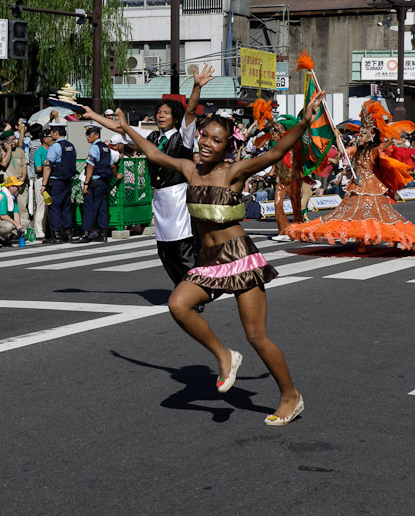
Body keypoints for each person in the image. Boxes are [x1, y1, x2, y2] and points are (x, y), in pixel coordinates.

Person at [113, 88, 325, 426]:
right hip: (208, 260)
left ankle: (290, 396)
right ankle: (224, 355)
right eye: (204, 136)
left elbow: (275, 152)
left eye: (216, 139)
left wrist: (303, 124)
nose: (207, 143)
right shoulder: (189, 168)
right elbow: (152, 153)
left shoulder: (233, 172)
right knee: (178, 305)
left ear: (227, 146)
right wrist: (126, 128)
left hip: (239, 256)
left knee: (256, 336)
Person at [82, 65, 214, 293]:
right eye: (159, 112)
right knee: (165, 251)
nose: (161, 115)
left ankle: (197, 289)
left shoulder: (183, 135)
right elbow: (120, 127)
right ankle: (183, 289)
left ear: (175, 119)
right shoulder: (152, 136)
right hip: (160, 198)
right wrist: (93, 115)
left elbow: (191, 111)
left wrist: (196, 87)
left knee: (183, 247)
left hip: (179, 194)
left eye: (166, 113)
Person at [288, 100, 415, 250]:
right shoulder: (356, 151)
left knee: (376, 216)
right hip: (356, 185)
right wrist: (336, 136)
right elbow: (344, 154)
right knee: (352, 214)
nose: (359, 136)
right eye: (359, 134)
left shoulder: (373, 150)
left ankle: (397, 238)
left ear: (369, 137)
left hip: (370, 187)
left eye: (362, 134)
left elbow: (385, 146)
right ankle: (363, 240)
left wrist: (389, 137)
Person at [79, 125, 118, 243]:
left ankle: (86, 234)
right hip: (104, 181)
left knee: (89, 207)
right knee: (102, 208)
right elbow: (112, 165)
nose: (87, 137)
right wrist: (116, 176)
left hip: (94, 182)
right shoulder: (106, 148)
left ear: (96, 134)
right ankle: (103, 234)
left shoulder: (94, 148)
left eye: (89, 134)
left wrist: (86, 183)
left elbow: (90, 165)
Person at [41, 123, 77, 243]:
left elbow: (48, 166)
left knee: (54, 207)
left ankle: (56, 234)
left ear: (56, 133)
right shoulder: (71, 146)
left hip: (56, 181)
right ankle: (68, 232)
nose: (50, 135)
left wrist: (44, 185)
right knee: (66, 207)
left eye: (51, 132)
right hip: (68, 181)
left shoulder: (55, 147)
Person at [0, 176, 25, 247]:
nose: (19, 188)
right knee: (9, 226)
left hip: (3, 220)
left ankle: (4, 238)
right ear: (10, 187)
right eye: (17, 186)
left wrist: (19, 227)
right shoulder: (3, 196)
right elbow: (3, 216)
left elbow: (16, 213)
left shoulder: (12, 197)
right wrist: (17, 225)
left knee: (26, 223)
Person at [33, 127, 52, 239]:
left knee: (49, 206)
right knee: (41, 206)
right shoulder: (39, 152)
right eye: (50, 136)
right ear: (45, 139)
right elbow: (38, 168)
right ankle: (39, 231)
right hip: (40, 180)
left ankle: (48, 230)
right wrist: (49, 166)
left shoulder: (52, 150)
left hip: (50, 180)